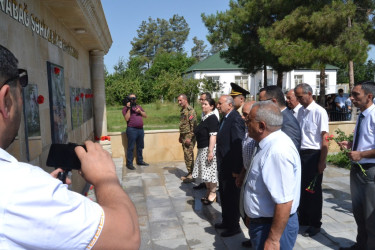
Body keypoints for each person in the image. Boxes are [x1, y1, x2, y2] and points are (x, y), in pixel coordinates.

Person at [0, 45, 140, 249]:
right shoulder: (16, 188)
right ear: (6, 100)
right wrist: (104, 179)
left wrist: (43, 191)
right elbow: (127, 238)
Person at [243, 101, 301, 249]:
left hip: (271, 226)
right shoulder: (268, 144)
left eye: (249, 120)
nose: (246, 122)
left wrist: (274, 239)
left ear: (261, 126)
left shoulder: (277, 152)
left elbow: (284, 202)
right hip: (264, 222)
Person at [338, 81, 375, 250]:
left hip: (370, 171)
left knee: (370, 216)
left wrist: (361, 154)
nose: (351, 98)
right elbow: (368, 141)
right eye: (351, 95)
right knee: (359, 212)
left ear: (369, 96)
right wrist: (352, 145)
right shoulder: (362, 115)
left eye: (355, 95)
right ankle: (361, 245)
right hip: (358, 170)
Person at [294, 83, 329, 237]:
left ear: (309, 94)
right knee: (302, 188)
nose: (298, 99)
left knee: (313, 190)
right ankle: (304, 218)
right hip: (300, 153)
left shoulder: (319, 111)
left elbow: (324, 138)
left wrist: (322, 161)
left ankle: (315, 223)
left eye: (300, 96)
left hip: (313, 154)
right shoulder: (300, 111)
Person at [215, 95, 245, 237]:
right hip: (223, 165)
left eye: (220, 103)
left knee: (231, 197)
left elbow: (238, 145)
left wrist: (236, 169)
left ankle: (233, 226)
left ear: (229, 105)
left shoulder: (235, 119)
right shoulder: (225, 118)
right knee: (224, 195)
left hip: (231, 168)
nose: (218, 106)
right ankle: (226, 221)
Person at [192, 98, 219, 204]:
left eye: (205, 104)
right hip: (202, 149)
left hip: (208, 149)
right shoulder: (205, 118)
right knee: (205, 173)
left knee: (210, 173)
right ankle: (208, 191)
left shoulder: (212, 118)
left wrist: (210, 151)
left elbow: (213, 135)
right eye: (202, 104)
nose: (203, 106)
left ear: (212, 107)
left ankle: (213, 193)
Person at [259, 86, 301, 150]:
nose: (259, 106)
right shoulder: (276, 117)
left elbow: (291, 151)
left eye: (261, 102)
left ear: (273, 101)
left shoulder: (288, 122)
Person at [122, 93, 149, 170]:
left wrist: (140, 111)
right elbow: (127, 119)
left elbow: (145, 116)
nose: (134, 99)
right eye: (132, 98)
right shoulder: (125, 109)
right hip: (131, 130)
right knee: (130, 147)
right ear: (129, 99)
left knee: (140, 146)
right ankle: (129, 164)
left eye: (135, 98)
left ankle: (140, 161)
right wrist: (129, 109)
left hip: (140, 129)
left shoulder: (139, 107)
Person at [178, 94, 197, 183]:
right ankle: (189, 173)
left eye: (180, 100)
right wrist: (180, 136)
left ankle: (192, 175)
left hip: (189, 137)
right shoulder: (183, 110)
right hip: (184, 136)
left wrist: (189, 138)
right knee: (186, 156)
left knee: (189, 156)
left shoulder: (191, 111)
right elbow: (183, 125)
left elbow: (194, 126)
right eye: (178, 101)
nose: (179, 102)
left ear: (185, 100)